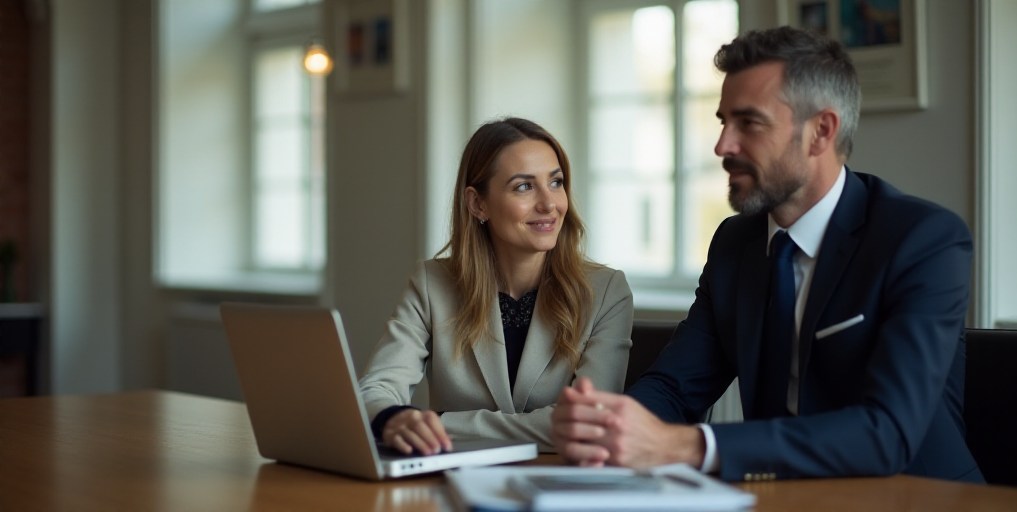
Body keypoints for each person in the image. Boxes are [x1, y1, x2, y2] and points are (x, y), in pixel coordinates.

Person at [551, 26, 983, 483]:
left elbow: (886, 432)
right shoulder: (735, 244)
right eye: (722, 122)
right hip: (776, 497)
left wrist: (684, 444)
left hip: (918, 497)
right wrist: (606, 425)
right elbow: (676, 388)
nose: (722, 146)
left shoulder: (923, 240)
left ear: (821, 131)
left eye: (749, 123)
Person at [360, 117, 633, 456]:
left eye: (556, 182)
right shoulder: (433, 283)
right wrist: (392, 419)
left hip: (558, 486)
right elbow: (376, 390)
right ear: (478, 204)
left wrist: (440, 423)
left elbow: (590, 422)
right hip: (452, 488)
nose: (550, 204)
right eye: (524, 186)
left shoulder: (606, 291)